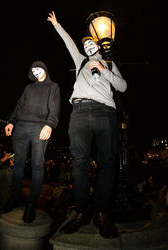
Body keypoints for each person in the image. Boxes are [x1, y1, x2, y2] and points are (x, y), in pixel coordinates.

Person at [47, 11, 127, 238]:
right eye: (88, 44)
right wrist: (57, 24)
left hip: (105, 112)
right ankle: (82, 211)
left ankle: (101, 213)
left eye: (93, 44)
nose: (90, 46)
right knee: (79, 162)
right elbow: (69, 42)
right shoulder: (80, 60)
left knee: (108, 162)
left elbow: (122, 87)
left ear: (99, 49)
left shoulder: (108, 63)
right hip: (80, 111)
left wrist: (104, 71)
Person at [3, 60, 61, 223]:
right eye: (33, 70)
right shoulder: (29, 88)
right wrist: (11, 121)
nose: (35, 72)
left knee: (37, 165)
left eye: (38, 69)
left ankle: (31, 204)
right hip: (21, 127)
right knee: (18, 163)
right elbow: (19, 106)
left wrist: (49, 125)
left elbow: (55, 108)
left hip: (39, 128)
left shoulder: (53, 87)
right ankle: (14, 198)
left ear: (44, 69)